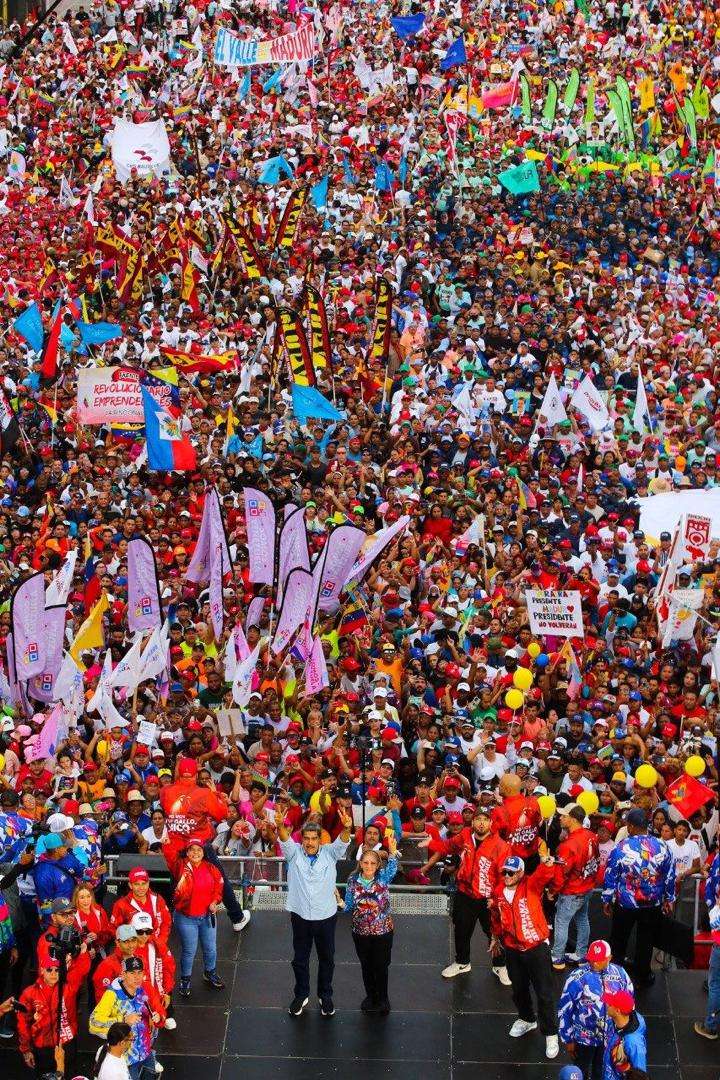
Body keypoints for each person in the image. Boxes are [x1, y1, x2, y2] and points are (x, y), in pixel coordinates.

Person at [275, 805, 352, 1017]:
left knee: (327, 958)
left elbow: (343, 842)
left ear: (320, 839)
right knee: (300, 958)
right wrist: (280, 824)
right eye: (306, 838)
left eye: (313, 838)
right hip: (300, 916)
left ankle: (325, 995)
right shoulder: (294, 854)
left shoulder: (330, 853)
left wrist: (346, 828)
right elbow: (284, 839)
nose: (309, 842)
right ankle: (301, 994)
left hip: (326, 916)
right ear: (302, 840)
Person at [421, 806, 510, 984]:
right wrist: (431, 843)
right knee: (461, 930)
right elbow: (448, 846)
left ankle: (500, 965)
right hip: (465, 893)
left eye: (485, 819)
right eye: (478, 819)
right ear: (473, 821)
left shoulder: (501, 846)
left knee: (495, 932)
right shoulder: (465, 835)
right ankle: (462, 962)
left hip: (488, 898)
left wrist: (497, 898)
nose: (482, 823)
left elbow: (504, 876)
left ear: (491, 823)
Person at [489, 854, 560, 1060]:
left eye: (512, 872)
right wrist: (495, 937)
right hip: (512, 949)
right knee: (518, 989)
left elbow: (543, 874)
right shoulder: (498, 892)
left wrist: (547, 864)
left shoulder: (531, 885)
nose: (507, 875)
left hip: (536, 948)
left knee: (544, 993)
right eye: (505, 872)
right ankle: (527, 1019)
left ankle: (550, 1033)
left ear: (521, 873)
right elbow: (495, 914)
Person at [602, 808, 676, 987]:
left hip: (626, 904)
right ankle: (643, 975)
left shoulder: (621, 847)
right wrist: (669, 898)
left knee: (619, 940)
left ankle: (615, 977)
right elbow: (669, 875)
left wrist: (607, 898)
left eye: (628, 824)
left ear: (632, 826)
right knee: (646, 940)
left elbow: (611, 874)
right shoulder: (663, 846)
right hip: (652, 903)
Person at [558, 939, 634, 1080]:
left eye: (599, 960)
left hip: (610, 1038)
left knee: (602, 1071)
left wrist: (624, 1033)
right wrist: (568, 1039)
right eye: (592, 959)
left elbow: (629, 1004)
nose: (594, 963)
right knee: (580, 1071)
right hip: (583, 1039)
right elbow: (564, 1010)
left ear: (609, 958)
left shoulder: (621, 974)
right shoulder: (577, 978)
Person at [344, 829, 398, 1015]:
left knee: (381, 966)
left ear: (377, 865)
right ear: (360, 863)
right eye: (365, 862)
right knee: (366, 965)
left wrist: (392, 850)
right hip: (360, 932)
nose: (368, 866)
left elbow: (393, 866)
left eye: (372, 863)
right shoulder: (352, 880)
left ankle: (383, 998)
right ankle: (370, 996)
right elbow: (349, 905)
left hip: (382, 932)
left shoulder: (383, 877)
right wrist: (339, 903)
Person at [17, 946, 91, 1078]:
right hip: (43, 1048)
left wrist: (82, 951)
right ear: (41, 970)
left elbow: (82, 969)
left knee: (68, 1075)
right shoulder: (29, 993)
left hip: (67, 1045)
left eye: (57, 970)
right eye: (49, 969)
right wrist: (26, 1049)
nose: (53, 973)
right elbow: (23, 1024)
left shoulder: (69, 987)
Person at [89, 955, 165, 1080]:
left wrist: (158, 1018)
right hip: (126, 1060)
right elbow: (93, 1023)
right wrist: (122, 1020)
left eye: (140, 972)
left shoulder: (145, 988)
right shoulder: (112, 994)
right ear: (123, 974)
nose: (137, 977)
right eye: (132, 973)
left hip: (146, 1053)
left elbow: (159, 1014)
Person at [172, 837, 225, 997]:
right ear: (187, 853)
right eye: (192, 850)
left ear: (204, 852)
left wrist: (215, 901)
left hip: (207, 916)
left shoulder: (211, 867)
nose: (195, 853)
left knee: (211, 948)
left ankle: (210, 972)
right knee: (189, 951)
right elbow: (169, 852)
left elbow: (219, 885)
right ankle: (185, 979)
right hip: (186, 918)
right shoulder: (180, 866)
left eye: (199, 850)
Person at [551, 804, 600, 971]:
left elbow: (561, 873)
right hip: (587, 887)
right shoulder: (592, 836)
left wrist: (552, 891)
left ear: (572, 818)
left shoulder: (569, 844)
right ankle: (581, 955)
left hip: (572, 891)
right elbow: (596, 861)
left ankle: (557, 957)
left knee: (561, 922)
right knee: (582, 919)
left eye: (563, 815)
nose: (560, 818)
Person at [111, 869, 171, 947]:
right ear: (130, 885)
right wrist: (126, 944)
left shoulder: (157, 900)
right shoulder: (121, 904)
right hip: (133, 948)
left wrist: (161, 941)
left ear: (148, 883)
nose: (141, 888)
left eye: (144, 883)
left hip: (156, 946)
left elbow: (166, 922)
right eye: (137, 884)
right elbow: (113, 928)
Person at [602, 989, 647, 1078]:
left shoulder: (634, 1043)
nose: (607, 1005)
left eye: (610, 1004)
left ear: (618, 1011)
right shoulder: (620, 1020)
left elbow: (639, 1076)